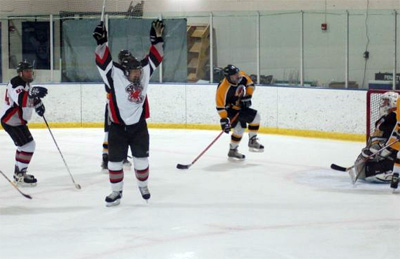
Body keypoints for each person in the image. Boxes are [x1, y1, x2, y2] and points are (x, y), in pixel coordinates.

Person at [93, 19, 164, 206]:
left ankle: (143, 185)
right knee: (114, 163)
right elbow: (103, 61)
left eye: (138, 71)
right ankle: (116, 192)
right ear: (125, 71)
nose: (138, 74)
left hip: (139, 127)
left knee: (141, 160)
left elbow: (155, 58)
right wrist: (102, 43)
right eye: (133, 72)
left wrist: (157, 41)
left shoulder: (143, 73)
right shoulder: (115, 75)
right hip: (117, 127)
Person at [0, 61, 47, 186]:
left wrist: (38, 104)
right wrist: (32, 95)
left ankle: (18, 174)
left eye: (31, 71)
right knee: (28, 146)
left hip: (15, 120)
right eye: (27, 71)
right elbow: (21, 100)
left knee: (23, 146)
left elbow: (28, 97)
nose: (30, 73)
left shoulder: (25, 83)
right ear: (20, 73)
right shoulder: (16, 83)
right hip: (12, 121)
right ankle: (20, 175)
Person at [215, 64, 264, 160]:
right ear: (228, 77)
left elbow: (250, 84)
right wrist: (224, 119)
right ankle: (233, 151)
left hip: (240, 105)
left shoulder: (242, 76)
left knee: (256, 117)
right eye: (234, 76)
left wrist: (248, 96)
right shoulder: (223, 89)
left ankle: (252, 141)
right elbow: (220, 106)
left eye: (237, 73)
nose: (238, 76)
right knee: (239, 128)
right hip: (229, 109)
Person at [350, 91, 399, 183]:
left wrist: (382, 151)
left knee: (367, 171)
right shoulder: (389, 117)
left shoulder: (394, 117)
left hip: (392, 154)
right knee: (363, 171)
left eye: (386, 101)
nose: (383, 104)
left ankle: (392, 171)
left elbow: (394, 141)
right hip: (387, 151)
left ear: (393, 102)